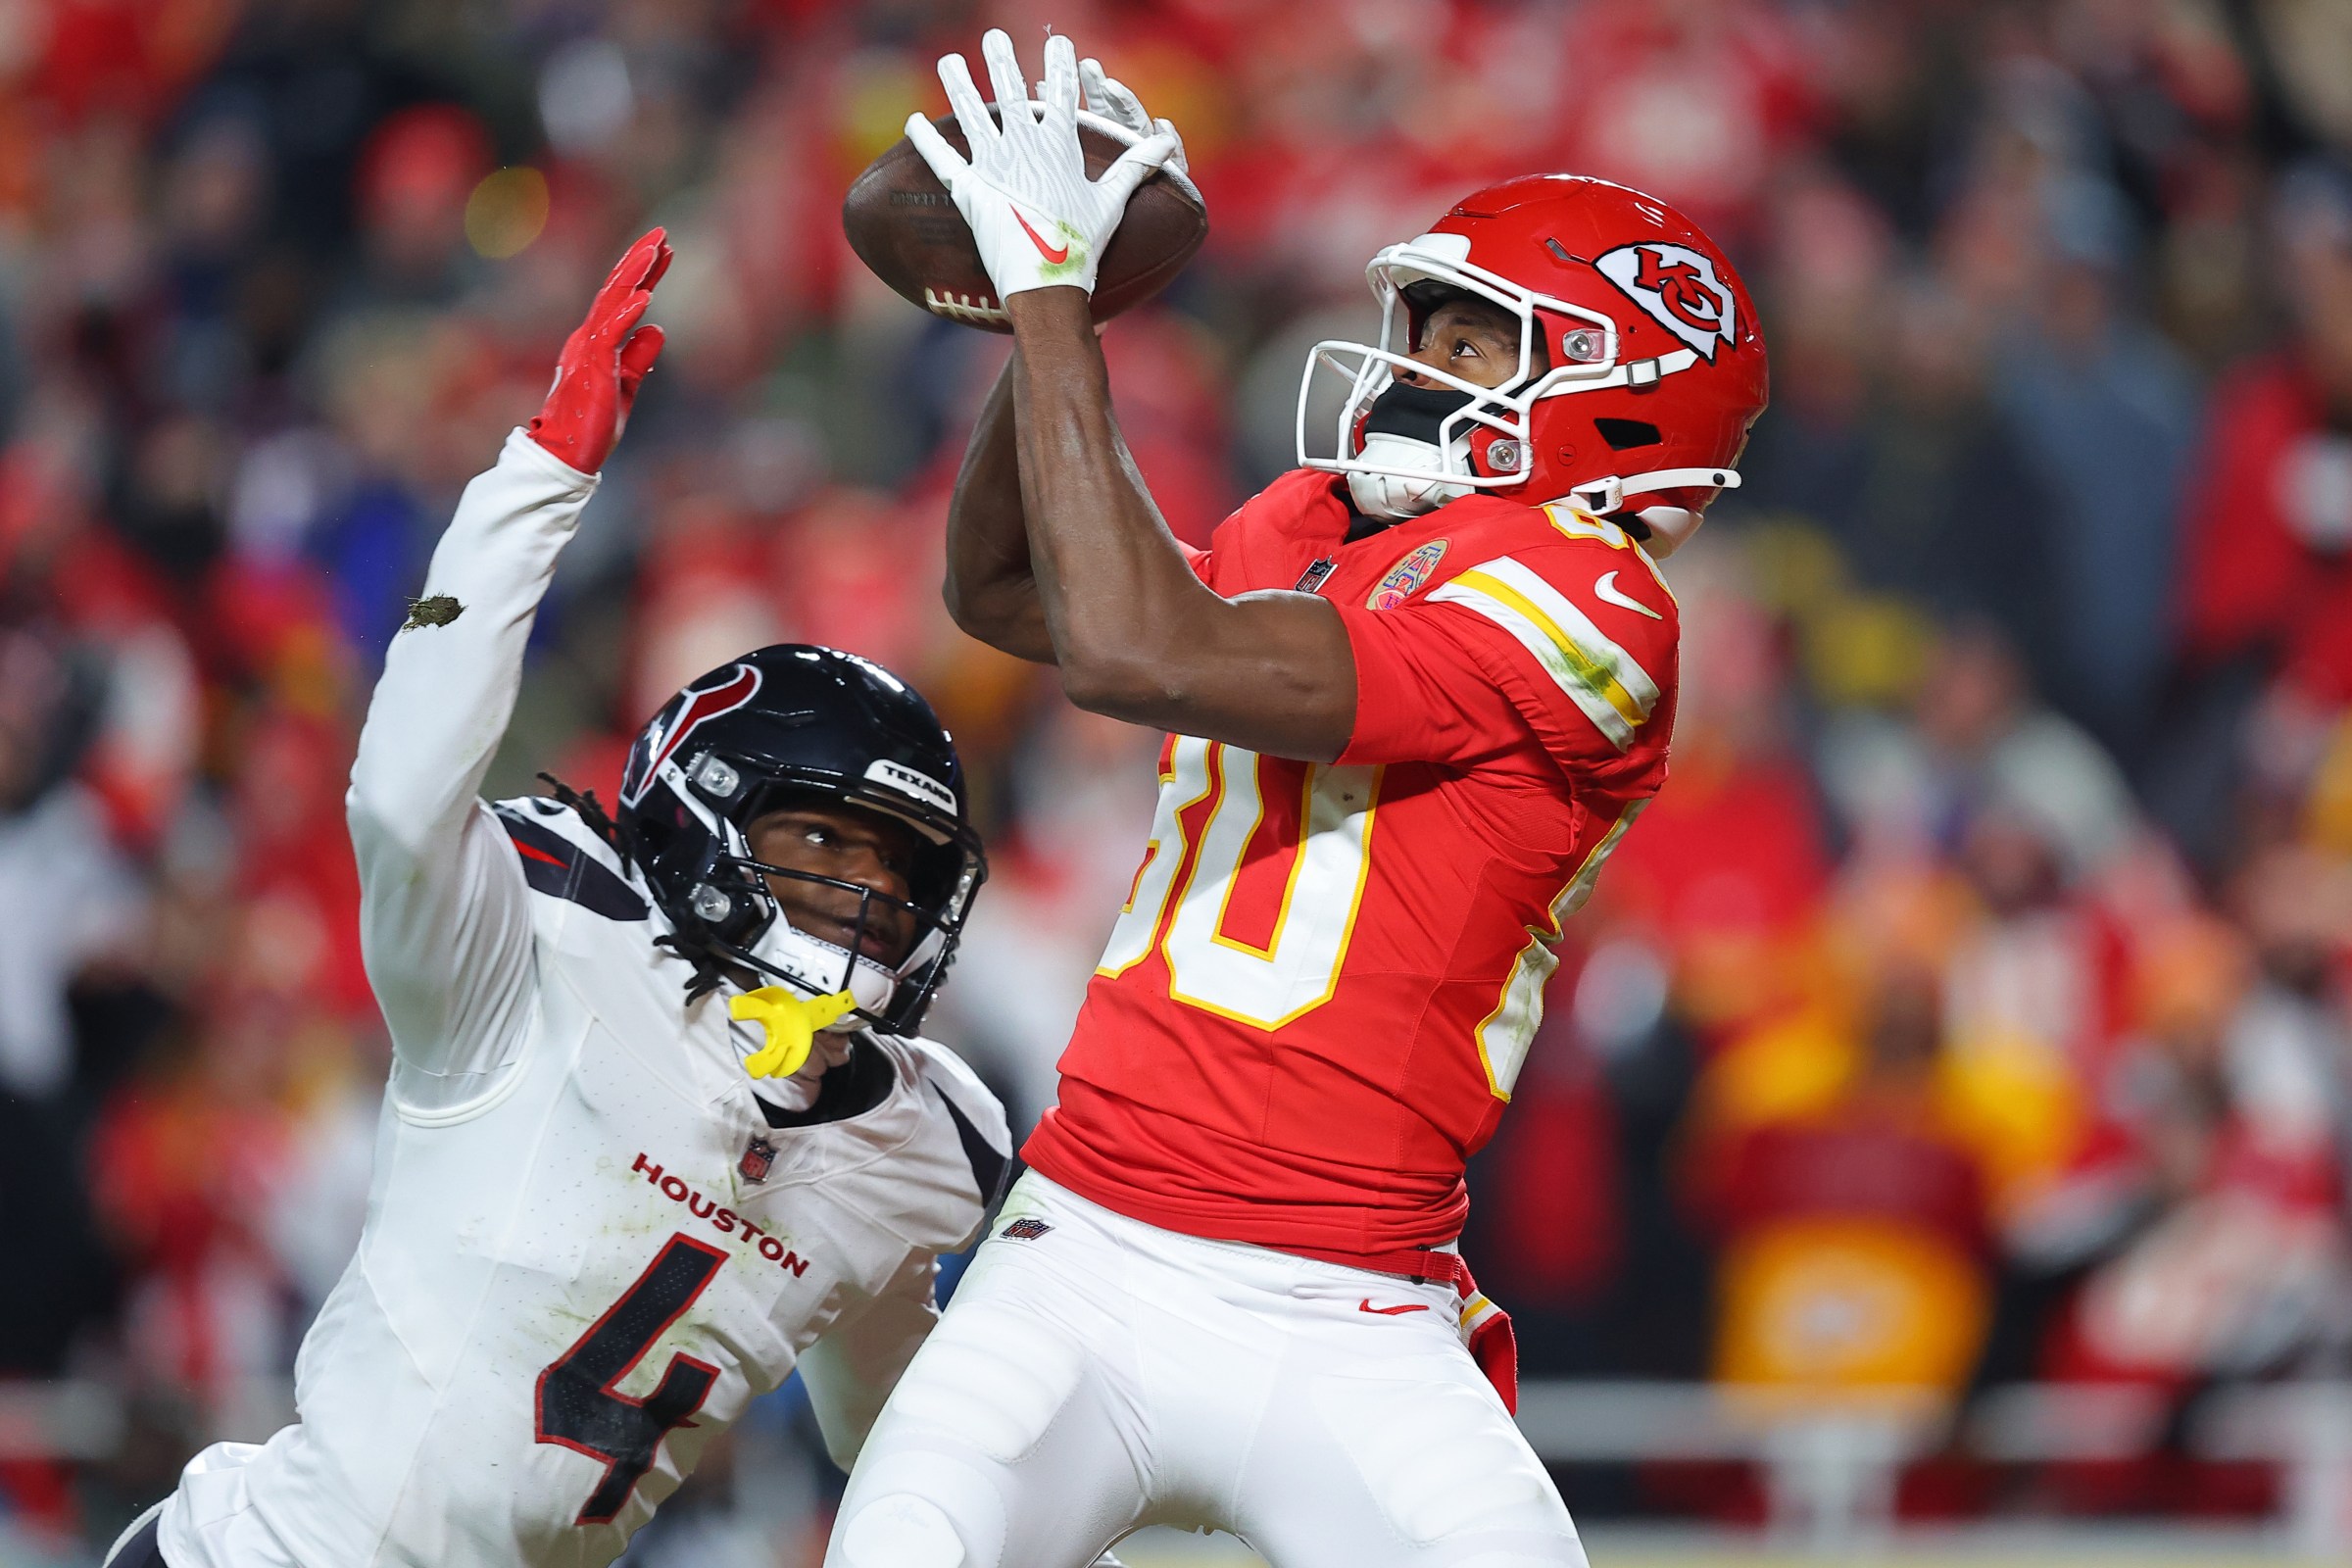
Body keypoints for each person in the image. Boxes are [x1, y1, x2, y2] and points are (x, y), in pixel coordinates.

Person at [823, 30, 1766, 1568]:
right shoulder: (1308, 518)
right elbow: (1008, 589)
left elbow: (1137, 648)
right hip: (1086, 1250)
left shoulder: (1599, 612)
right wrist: (1049, 303)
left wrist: (1057, 296)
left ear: (1619, 401)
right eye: (1427, 323)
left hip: (1351, 1306)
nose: (1410, 363)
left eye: (1473, 343)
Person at [104, 231, 1011, 1568]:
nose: (867, 889)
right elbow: (406, 793)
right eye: (824, 835)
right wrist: (538, 479)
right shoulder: (540, 953)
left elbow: (893, 1430)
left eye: (900, 867)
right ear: (701, 810)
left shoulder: (916, 1145)